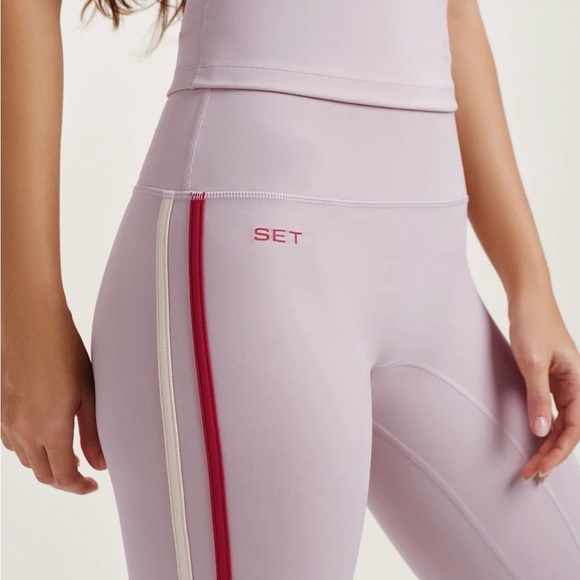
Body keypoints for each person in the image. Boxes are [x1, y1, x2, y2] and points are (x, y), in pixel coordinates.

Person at [3, 0, 580, 579]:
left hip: (437, 281)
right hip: (251, 258)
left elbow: (454, 12)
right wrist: (31, 327)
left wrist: (530, 283)